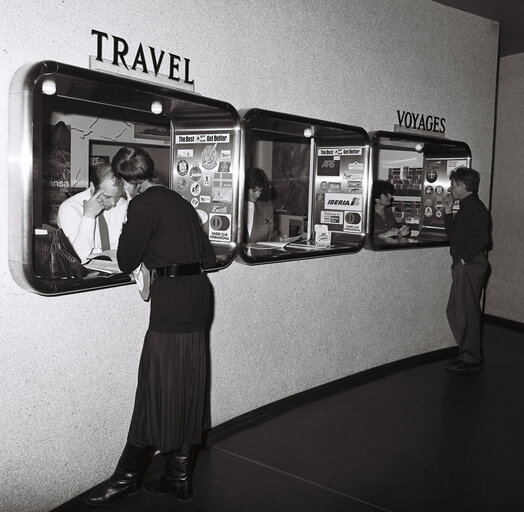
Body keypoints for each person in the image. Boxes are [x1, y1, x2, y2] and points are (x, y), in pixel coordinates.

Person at [85, 147, 216, 506]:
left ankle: (128, 478)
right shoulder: (178, 200)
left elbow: (127, 258)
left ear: (126, 181)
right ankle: (179, 476)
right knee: (188, 381)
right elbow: (206, 256)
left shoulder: (140, 205)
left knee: (154, 384)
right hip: (198, 294)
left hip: (172, 300)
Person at [443, 166, 490, 373]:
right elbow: (454, 236)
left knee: (467, 312)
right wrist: (447, 211)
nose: (450, 188)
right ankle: (467, 352)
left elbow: (483, 238)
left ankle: (470, 359)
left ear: (464, 186)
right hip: (464, 264)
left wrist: (463, 259)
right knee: (454, 310)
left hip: (469, 265)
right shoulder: (464, 206)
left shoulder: (475, 208)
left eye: (453, 185)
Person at [57, 163, 126, 263]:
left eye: (117, 197)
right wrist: (89, 216)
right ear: (93, 187)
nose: (113, 203)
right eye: (107, 197)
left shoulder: (123, 205)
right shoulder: (69, 208)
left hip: (119, 274)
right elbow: (77, 257)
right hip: (83, 275)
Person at [244, 167, 276, 242]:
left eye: (260, 191)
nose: (258, 195)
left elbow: (271, 236)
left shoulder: (267, 208)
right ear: (244, 188)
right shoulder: (233, 208)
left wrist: (278, 239)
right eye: (254, 191)